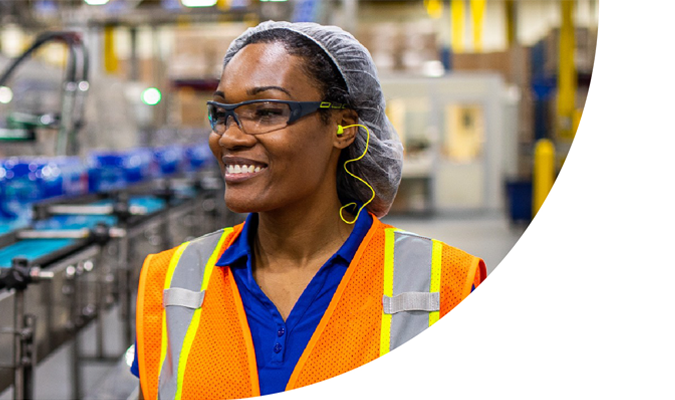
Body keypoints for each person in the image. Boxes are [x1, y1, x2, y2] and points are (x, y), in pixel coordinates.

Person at [126, 21, 487, 399]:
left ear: (343, 126)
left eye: (266, 112)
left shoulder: (443, 285)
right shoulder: (171, 282)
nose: (229, 137)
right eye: (222, 113)